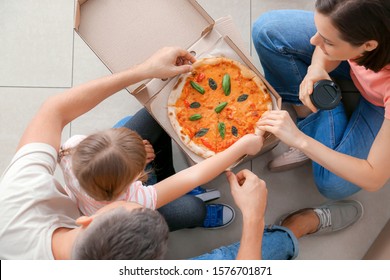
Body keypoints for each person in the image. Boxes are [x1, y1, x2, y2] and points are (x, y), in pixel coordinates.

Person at [252, 0, 390, 199]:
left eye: (328, 41)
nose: (313, 41)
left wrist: (301, 141)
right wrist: (317, 66)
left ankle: (315, 124)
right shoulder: (363, 25)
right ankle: (314, 112)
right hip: (363, 58)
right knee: (266, 31)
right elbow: (324, 40)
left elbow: (373, 177)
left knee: (333, 184)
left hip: (379, 104)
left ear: (368, 45)